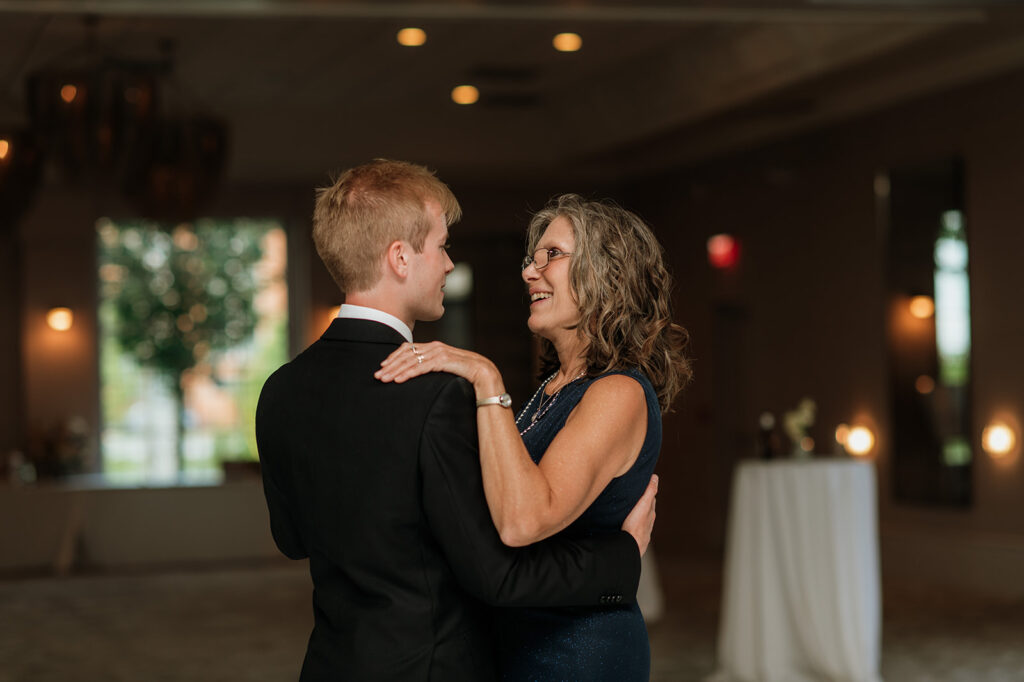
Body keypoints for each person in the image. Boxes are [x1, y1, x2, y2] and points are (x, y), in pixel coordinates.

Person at [255, 161, 659, 682]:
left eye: (550, 255)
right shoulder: (439, 394)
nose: (449, 263)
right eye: (443, 246)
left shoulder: (279, 389)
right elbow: (496, 574)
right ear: (400, 257)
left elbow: (293, 539)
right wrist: (622, 559)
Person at [377, 193, 691, 681]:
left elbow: (523, 522)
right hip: (518, 640)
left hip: (577, 652)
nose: (529, 271)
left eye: (552, 255)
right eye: (531, 257)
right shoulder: (553, 387)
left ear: (608, 274)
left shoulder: (618, 394)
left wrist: (486, 377)